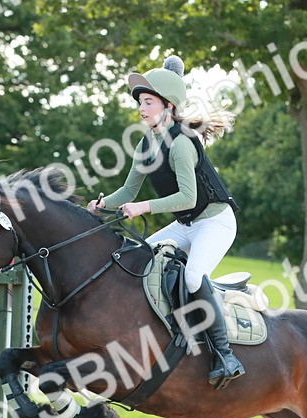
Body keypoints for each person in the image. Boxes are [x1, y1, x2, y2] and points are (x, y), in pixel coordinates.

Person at [87, 56, 244, 389]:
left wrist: (143, 207)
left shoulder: (183, 143)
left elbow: (187, 198)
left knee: (193, 276)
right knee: (137, 261)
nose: (142, 109)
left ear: (168, 105)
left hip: (215, 221)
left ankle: (225, 355)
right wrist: (102, 205)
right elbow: (129, 190)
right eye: (140, 103)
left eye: (148, 102)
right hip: (186, 225)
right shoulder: (146, 144)